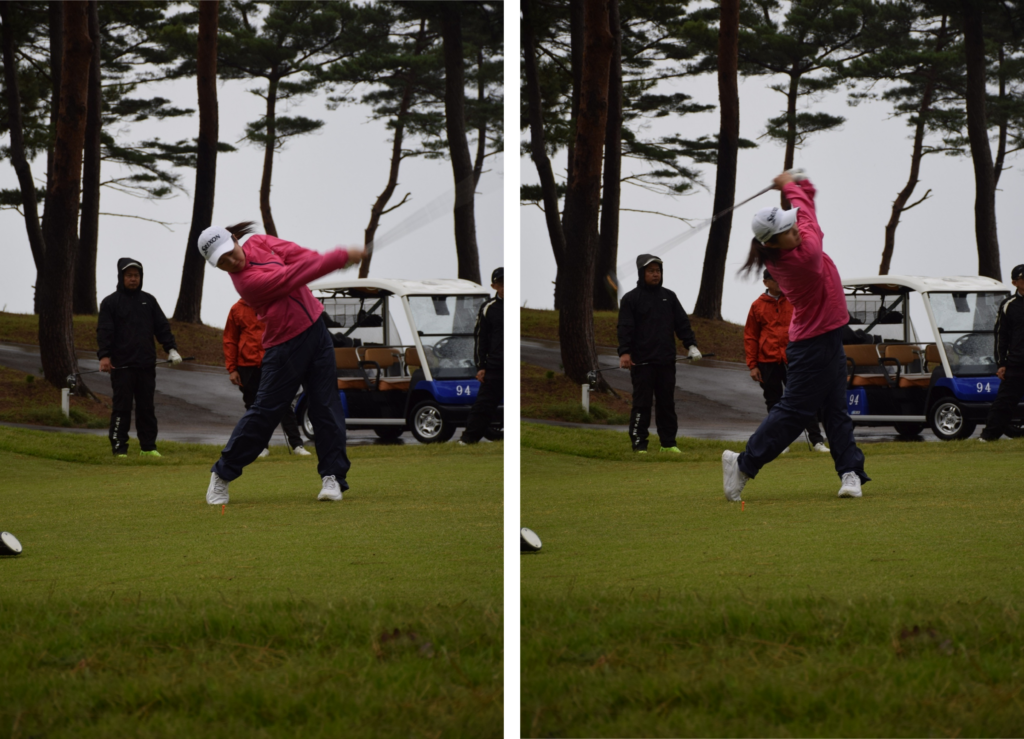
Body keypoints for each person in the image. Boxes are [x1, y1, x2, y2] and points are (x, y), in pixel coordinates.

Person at [723, 170, 870, 502]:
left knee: (835, 410)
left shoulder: (784, 248)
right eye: (787, 231)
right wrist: (791, 185)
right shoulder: (804, 257)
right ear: (772, 243)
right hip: (811, 345)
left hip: (828, 338)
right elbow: (808, 218)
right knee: (794, 414)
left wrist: (802, 186)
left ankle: (850, 473)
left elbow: (803, 214)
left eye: (792, 227)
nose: (795, 231)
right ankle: (743, 464)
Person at [198, 223, 363, 505]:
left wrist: (335, 261)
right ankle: (222, 474)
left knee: (326, 406)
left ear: (235, 239)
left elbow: (300, 256)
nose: (230, 262)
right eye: (221, 262)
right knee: (265, 412)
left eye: (229, 252)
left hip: (317, 332)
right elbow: (290, 277)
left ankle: (332, 477)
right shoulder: (246, 283)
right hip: (284, 346)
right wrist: (338, 258)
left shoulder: (260, 242)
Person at [97, 258, 183, 458]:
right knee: (122, 408)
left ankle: (148, 447)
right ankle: (119, 448)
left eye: (136, 275)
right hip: (121, 366)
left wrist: (171, 349)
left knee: (146, 408)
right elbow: (104, 331)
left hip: (146, 365)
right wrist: (104, 356)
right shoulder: (110, 302)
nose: (133, 279)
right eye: (129, 275)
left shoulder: (149, 301)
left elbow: (162, 327)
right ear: (121, 277)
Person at [617, 255, 701, 454]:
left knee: (666, 404)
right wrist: (625, 352)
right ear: (642, 273)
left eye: (658, 271)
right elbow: (625, 327)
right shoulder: (631, 299)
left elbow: (682, 323)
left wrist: (691, 345)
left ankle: (668, 444)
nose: (655, 274)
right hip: (641, 363)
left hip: (666, 361)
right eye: (651, 271)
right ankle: (639, 444)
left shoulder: (669, 297)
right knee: (642, 404)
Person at [744, 268, 829, 453]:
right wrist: (753, 365)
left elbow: (806, 327)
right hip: (767, 361)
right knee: (774, 403)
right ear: (766, 282)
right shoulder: (757, 305)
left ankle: (817, 441)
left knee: (804, 399)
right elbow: (751, 336)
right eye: (776, 279)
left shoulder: (794, 300)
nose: (780, 283)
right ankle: (780, 443)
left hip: (794, 360)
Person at [223, 298, 312, 457]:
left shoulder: (273, 304)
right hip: (247, 366)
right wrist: (232, 369)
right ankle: (261, 447)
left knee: (284, 404)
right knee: (254, 407)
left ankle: (297, 445)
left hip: (273, 363)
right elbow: (230, 340)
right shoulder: (237, 309)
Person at [460, 267, 505, 445]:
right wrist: (481, 366)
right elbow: (480, 338)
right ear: (494, 286)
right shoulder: (488, 308)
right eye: (501, 283)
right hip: (495, 367)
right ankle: (468, 440)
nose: (505, 287)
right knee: (483, 406)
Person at [980, 264, 1024, 441]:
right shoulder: (1008, 305)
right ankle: (988, 437)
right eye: (1023, 278)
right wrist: (1001, 364)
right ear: (1015, 283)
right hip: (1016, 363)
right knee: (1004, 403)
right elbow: (1001, 336)